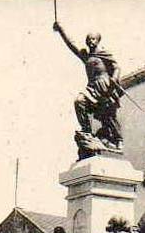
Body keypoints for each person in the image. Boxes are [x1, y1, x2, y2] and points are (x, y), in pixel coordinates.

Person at [53, 20, 124, 156]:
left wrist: (114, 78)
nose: (90, 41)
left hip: (104, 86)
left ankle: (119, 140)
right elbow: (71, 44)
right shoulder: (86, 56)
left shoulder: (104, 53)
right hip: (91, 87)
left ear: (98, 41)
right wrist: (61, 29)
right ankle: (87, 131)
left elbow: (116, 67)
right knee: (79, 101)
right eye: (88, 39)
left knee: (108, 115)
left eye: (93, 39)